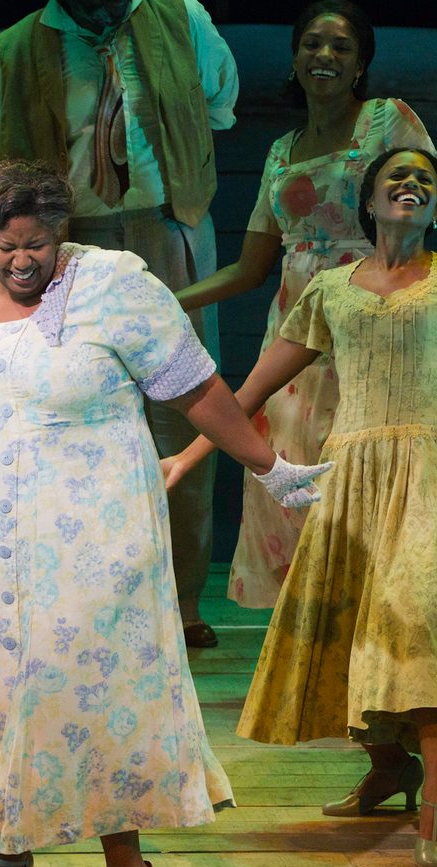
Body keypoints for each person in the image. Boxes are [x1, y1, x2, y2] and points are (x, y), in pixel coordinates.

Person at [0, 160, 328, 867]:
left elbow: (195, 388)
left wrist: (268, 467)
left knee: (87, 692)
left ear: (59, 230)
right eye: (3, 246)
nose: (21, 259)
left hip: (90, 532)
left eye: (35, 242)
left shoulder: (116, 286)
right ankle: (7, 856)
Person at [166, 147, 437, 866]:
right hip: (353, 472)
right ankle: (389, 766)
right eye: (396, 179)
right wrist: (190, 457)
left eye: (426, 180)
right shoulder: (331, 289)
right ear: (370, 202)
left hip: (430, 472)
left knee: (417, 617)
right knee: (352, 622)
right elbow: (247, 390)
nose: (411, 186)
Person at [0, 0, 239, 648]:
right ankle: (81, 600)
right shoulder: (17, 47)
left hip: (172, 227)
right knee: (73, 422)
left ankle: (180, 603)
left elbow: (220, 103)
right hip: (68, 245)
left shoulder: (180, 18)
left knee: (185, 411)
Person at [177, 1, 432, 608]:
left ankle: (379, 629)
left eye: (342, 47)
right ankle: (307, 634)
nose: (326, 56)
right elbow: (250, 268)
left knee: (369, 463)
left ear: (360, 64)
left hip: (375, 315)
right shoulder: (281, 152)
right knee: (290, 470)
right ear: (295, 59)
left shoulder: (386, 122)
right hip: (297, 331)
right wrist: (166, 299)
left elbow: (423, 197)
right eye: (313, 44)